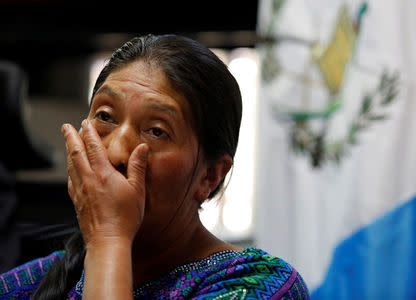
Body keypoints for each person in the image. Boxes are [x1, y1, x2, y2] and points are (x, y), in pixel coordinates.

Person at [0, 34, 309, 299]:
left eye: (157, 130)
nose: (116, 152)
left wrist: (109, 237)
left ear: (209, 175)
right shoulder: (31, 283)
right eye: (105, 116)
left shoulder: (260, 284)